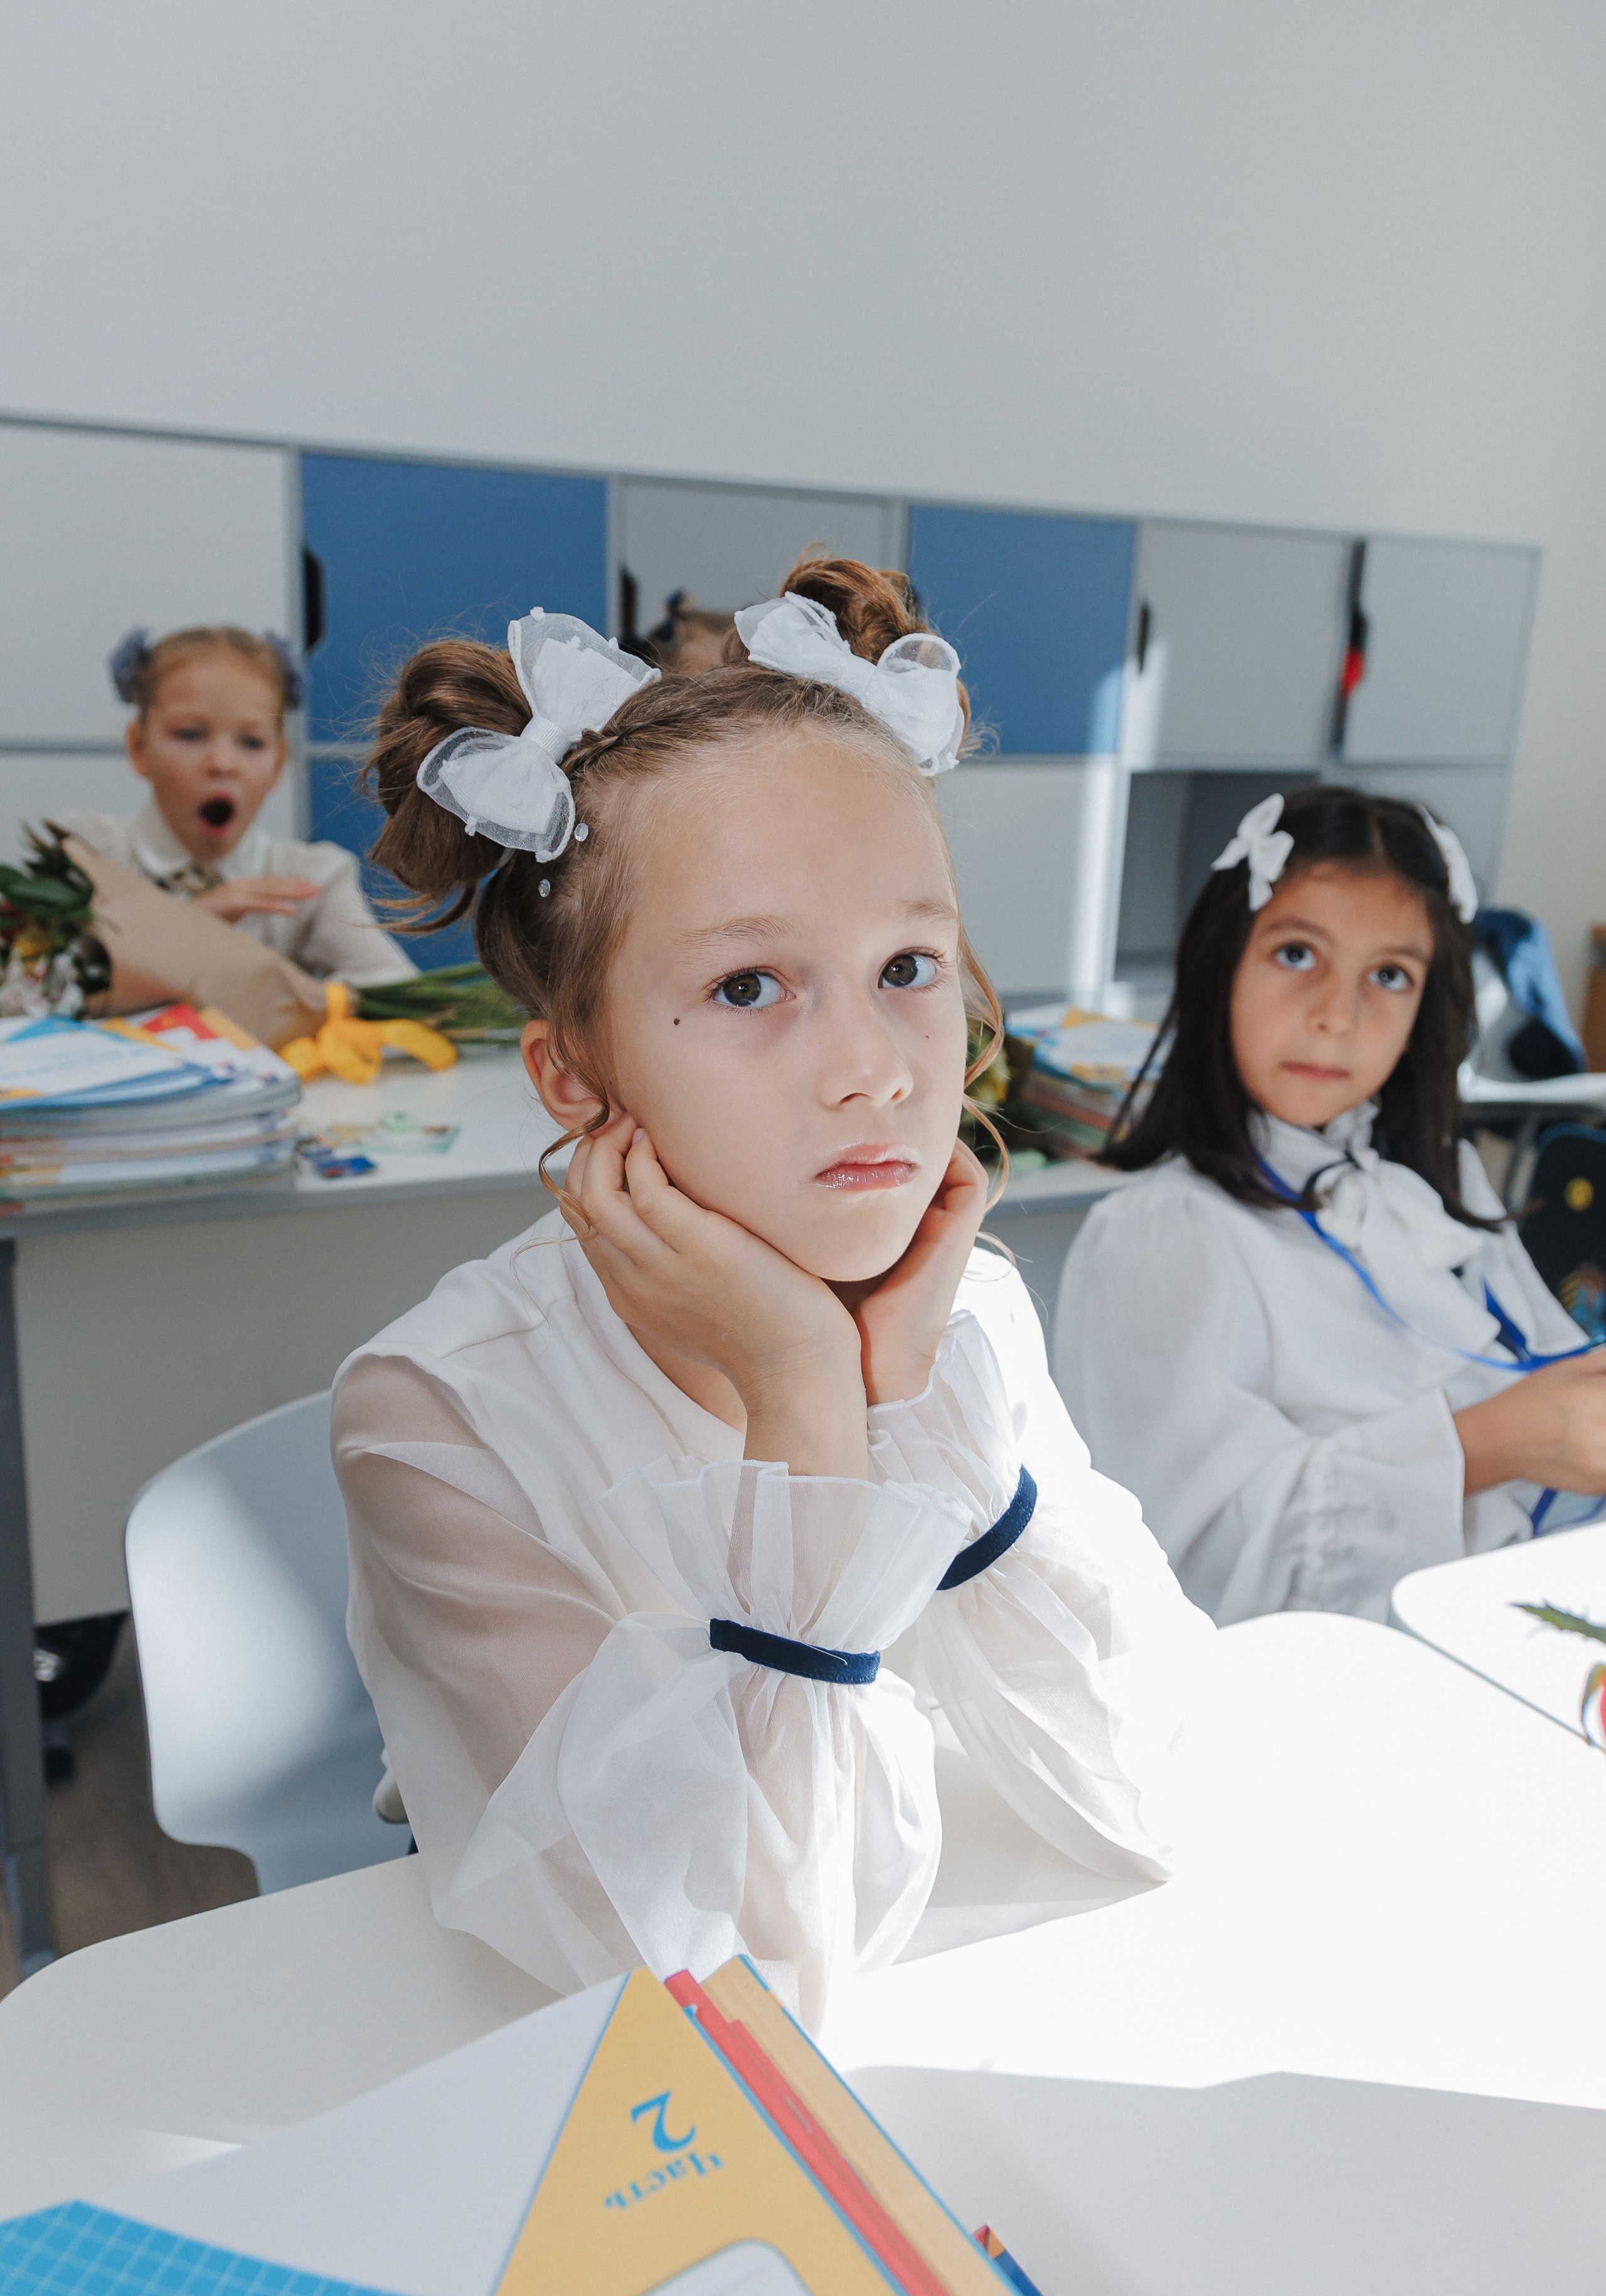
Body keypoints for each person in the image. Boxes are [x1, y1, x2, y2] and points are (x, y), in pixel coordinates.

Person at [331, 558, 1211, 2026]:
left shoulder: (962, 1308)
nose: (872, 1066)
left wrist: (918, 1404)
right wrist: (812, 1407)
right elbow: (730, 1987)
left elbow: (1151, 1784)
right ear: (575, 1072)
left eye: (906, 963)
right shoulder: (435, 1414)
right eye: (749, 987)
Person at [1056, 786, 1605, 1626]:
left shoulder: (1436, 1179)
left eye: (1389, 976)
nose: (1336, 1017)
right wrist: (1487, 1448)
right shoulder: (1164, 1236)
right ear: (1222, 963)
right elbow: (1191, 1570)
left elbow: (1545, 1371)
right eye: (1297, 954)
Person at [58, 625, 412, 984]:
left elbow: (399, 990)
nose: (223, 763)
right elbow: (29, 991)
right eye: (190, 734)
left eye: (252, 742)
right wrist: (189, 927)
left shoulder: (309, 878)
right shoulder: (87, 853)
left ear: (278, 765)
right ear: (139, 748)